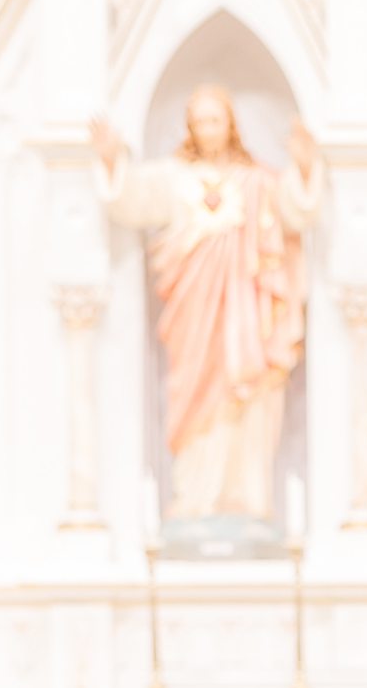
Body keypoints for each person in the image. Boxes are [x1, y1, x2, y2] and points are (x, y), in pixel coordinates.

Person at [92, 88, 320, 536]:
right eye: (201, 122)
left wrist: (306, 165)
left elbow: (297, 209)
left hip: (248, 321)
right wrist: (110, 160)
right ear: (190, 128)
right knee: (195, 398)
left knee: (251, 394)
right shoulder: (176, 178)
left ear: (230, 125)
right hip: (194, 321)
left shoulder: (255, 182)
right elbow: (131, 196)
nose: (209, 130)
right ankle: (195, 499)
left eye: (217, 121)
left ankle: (249, 499)